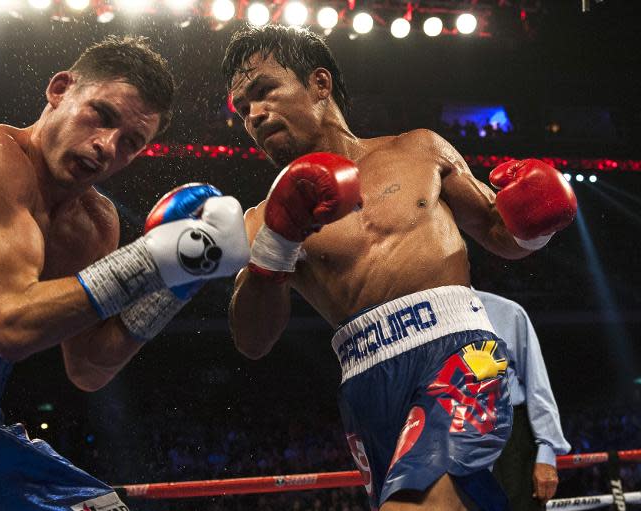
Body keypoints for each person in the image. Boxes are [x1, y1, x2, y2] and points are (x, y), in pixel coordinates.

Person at [0, 36, 249, 510]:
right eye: (102, 116)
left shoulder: (95, 224)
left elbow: (89, 367)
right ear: (59, 89)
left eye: (131, 143)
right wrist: (155, 259)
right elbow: (10, 325)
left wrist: (178, 281)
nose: (107, 146)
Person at [223, 25, 577, 511]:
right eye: (242, 109)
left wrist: (536, 221)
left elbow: (503, 235)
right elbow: (252, 341)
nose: (255, 116)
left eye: (264, 93)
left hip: (470, 355)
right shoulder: (263, 219)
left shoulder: (420, 149)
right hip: (367, 388)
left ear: (319, 84)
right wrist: (275, 247)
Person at [474, 290, 571, 510]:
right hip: (447, 440)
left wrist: (547, 453)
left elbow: (537, 385)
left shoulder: (506, 312)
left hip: (509, 440)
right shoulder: (420, 320)